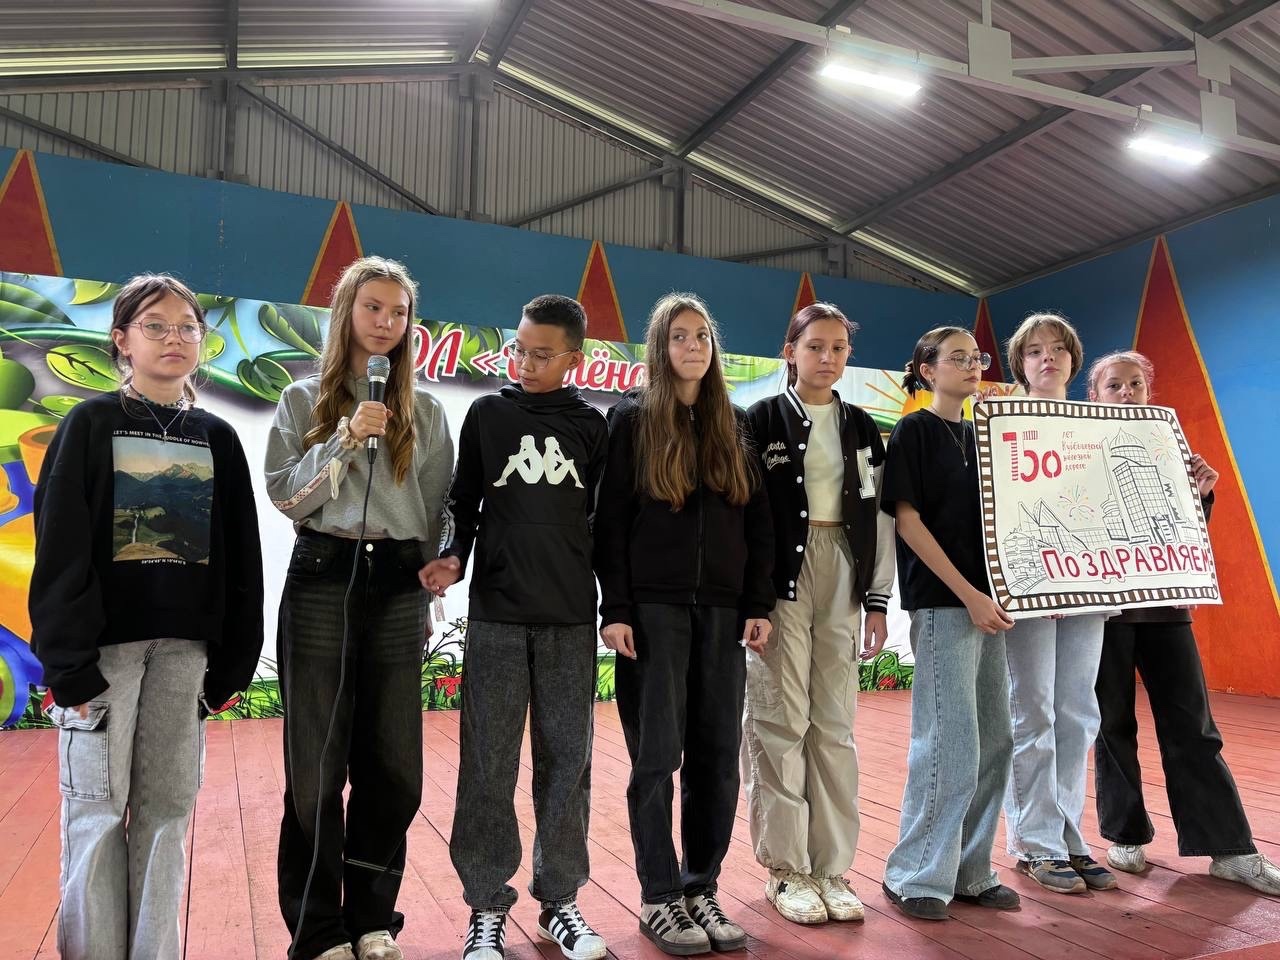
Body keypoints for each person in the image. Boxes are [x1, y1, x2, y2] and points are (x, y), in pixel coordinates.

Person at [30, 273, 265, 959]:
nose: (174, 338)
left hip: (186, 655)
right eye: (155, 325)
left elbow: (241, 555)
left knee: (167, 818)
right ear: (121, 340)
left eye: (187, 327)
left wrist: (232, 663)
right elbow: (60, 548)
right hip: (105, 656)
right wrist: (69, 665)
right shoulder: (90, 424)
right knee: (96, 815)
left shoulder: (217, 437)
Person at [265, 256, 454, 960]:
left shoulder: (426, 411)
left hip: (398, 584)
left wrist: (436, 568)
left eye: (399, 312)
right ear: (346, 311)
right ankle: (317, 930)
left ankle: (373, 918)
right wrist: (344, 437)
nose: (386, 323)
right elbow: (287, 497)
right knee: (316, 767)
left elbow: (437, 508)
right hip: (323, 573)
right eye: (373, 307)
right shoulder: (300, 399)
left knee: (396, 768)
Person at [420, 295, 609, 960]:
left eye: (541, 354)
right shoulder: (487, 414)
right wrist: (453, 556)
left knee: (568, 764)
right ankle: (486, 907)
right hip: (497, 615)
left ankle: (560, 900)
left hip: (569, 619)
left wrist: (614, 608)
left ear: (572, 360)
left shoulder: (593, 427)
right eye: (518, 349)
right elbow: (462, 501)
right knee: (487, 765)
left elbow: (606, 525)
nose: (524, 363)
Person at [594, 293, 774, 955]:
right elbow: (609, 523)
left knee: (717, 760)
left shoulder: (735, 422)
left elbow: (759, 524)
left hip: (723, 615)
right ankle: (659, 896)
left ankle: (701, 888)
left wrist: (757, 604)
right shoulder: (632, 420)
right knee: (656, 759)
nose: (692, 346)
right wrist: (615, 609)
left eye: (701, 335)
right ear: (660, 347)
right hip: (653, 614)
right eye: (679, 336)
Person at [1088, 351, 1280, 895]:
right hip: (1102, 608)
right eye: (1114, 385)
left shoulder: (1171, 451)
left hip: (1167, 606)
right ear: (1095, 396)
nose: (1126, 393)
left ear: (1149, 391)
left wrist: (1202, 495)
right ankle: (1125, 834)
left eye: (1135, 384)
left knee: (1192, 725)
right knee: (1111, 723)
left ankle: (1231, 848)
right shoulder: (1076, 451)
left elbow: (1184, 535)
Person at [740, 302, 893, 926]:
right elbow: (746, 514)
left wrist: (877, 598)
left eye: (838, 348)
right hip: (782, 576)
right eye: (814, 347)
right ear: (790, 352)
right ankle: (787, 870)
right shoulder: (760, 420)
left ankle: (831, 867)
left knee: (834, 723)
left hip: (844, 573)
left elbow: (878, 514)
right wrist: (753, 600)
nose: (827, 358)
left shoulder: (863, 425)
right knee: (779, 718)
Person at [880, 326, 1021, 921]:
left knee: (996, 740)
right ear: (927, 369)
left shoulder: (986, 435)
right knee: (949, 742)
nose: (971, 365)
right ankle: (915, 873)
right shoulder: (913, 430)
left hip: (991, 605)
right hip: (945, 604)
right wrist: (968, 595)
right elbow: (908, 523)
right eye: (957, 358)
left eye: (977, 357)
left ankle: (970, 869)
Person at [999, 313, 1117, 895]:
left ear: (1074, 359)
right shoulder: (1000, 423)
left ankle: (1070, 833)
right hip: (1028, 586)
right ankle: (1035, 841)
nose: (1048, 357)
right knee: (1034, 710)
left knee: (1078, 710)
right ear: (1020, 364)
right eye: (1035, 350)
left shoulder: (1101, 426)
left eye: (1058, 349)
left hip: (1088, 585)